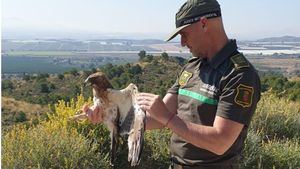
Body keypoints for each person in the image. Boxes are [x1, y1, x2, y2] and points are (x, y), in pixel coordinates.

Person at [86, 0, 261, 168]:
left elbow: (220, 142)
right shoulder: (193, 66)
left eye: (184, 34)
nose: (182, 43)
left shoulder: (239, 74)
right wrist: (110, 116)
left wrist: (169, 119)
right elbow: (157, 118)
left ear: (203, 24)